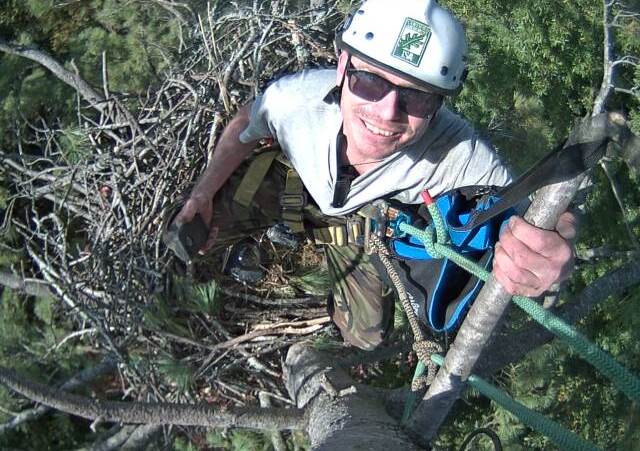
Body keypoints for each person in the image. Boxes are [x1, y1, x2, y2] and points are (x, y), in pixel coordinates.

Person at [174, 0, 575, 350]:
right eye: (370, 81)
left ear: (438, 105)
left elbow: (535, 210)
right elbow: (246, 122)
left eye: (416, 95)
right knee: (187, 231)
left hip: (359, 228)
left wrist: (554, 240)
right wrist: (202, 193)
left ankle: (313, 291)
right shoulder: (295, 102)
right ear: (343, 66)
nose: (387, 112)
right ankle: (214, 267)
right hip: (290, 182)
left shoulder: (456, 152)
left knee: (366, 335)